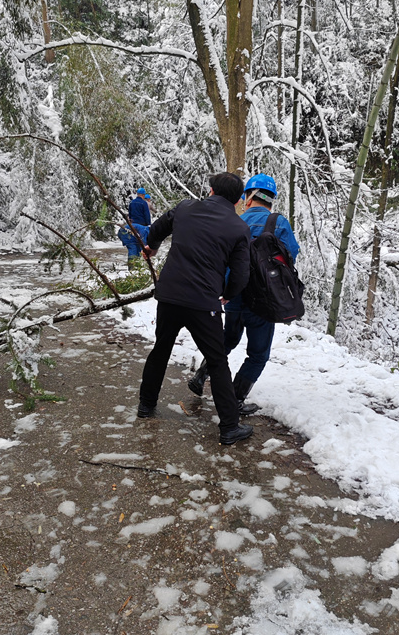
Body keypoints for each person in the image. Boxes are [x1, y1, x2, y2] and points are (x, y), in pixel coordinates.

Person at [137, 173, 254, 446]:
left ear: (211, 190)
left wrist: (151, 248)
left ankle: (145, 405)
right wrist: (228, 294)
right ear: (238, 201)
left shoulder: (185, 208)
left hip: (170, 295)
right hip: (204, 303)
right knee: (216, 361)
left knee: (161, 349)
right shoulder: (239, 228)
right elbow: (240, 273)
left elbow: (156, 229)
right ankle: (228, 428)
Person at [188, 173, 299, 415]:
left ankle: (201, 375)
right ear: (271, 200)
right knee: (258, 354)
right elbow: (292, 252)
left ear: (248, 197)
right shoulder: (278, 223)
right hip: (264, 300)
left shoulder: (236, 221)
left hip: (235, 295)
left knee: (228, 339)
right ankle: (235, 399)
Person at [118, 187, 152, 264]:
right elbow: (147, 215)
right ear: (143, 195)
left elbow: (130, 214)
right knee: (140, 246)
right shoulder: (144, 203)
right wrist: (148, 224)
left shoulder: (132, 202)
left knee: (133, 246)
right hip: (141, 226)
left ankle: (133, 265)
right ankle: (138, 265)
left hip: (131, 226)